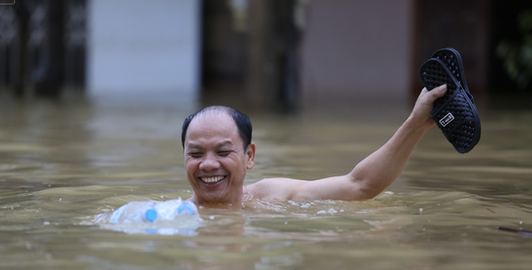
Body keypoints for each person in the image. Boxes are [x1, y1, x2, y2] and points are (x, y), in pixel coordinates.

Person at [181, 84, 448, 208]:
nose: (207, 164)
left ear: (249, 156)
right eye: (195, 153)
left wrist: (416, 124)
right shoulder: (171, 216)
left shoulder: (271, 196)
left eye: (223, 151)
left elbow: (359, 185)